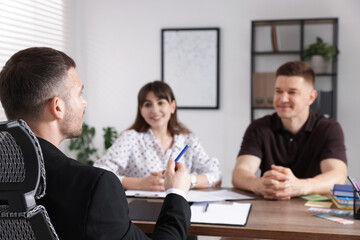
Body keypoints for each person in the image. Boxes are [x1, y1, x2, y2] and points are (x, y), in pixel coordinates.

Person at [0, 47, 191, 240]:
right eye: (79, 94)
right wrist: (176, 192)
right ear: (58, 107)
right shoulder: (95, 187)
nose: (84, 103)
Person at [232, 61, 347, 200]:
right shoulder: (258, 127)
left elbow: (338, 176)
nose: (282, 98)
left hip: (311, 212)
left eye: (292, 92)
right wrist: (258, 184)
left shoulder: (329, 128)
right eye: (278, 91)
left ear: (311, 97)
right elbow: (239, 173)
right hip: (268, 208)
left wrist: (300, 186)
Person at [94, 81, 222, 191]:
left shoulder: (188, 140)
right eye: (148, 104)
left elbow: (216, 174)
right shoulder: (130, 138)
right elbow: (100, 172)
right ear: (141, 111)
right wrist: (140, 183)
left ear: (172, 106)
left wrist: (187, 180)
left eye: (161, 103)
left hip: (181, 208)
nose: (155, 110)